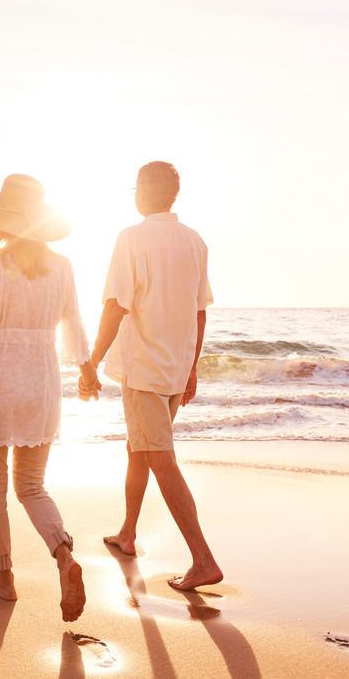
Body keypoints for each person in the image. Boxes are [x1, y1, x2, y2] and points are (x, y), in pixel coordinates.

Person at [0, 173, 97, 622]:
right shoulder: (63, 266)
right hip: (41, 387)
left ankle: (5, 578)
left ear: (1, 219)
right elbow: (73, 323)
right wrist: (86, 369)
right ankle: (64, 556)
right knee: (32, 486)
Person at [78, 161, 223, 591]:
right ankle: (127, 533)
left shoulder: (133, 238)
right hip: (175, 370)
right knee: (139, 450)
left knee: (160, 458)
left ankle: (203, 560)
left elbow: (115, 304)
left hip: (143, 370)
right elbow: (200, 311)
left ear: (143, 191)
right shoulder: (194, 242)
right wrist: (192, 367)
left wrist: (91, 360)